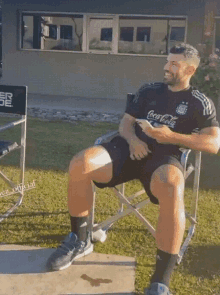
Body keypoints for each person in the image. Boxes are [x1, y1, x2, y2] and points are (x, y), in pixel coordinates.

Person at [46, 43, 220, 295]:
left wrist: (171, 136)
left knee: (172, 184)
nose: (166, 67)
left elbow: (213, 143)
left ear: (190, 69)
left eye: (174, 63)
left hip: (164, 157)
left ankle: (161, 280)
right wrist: (133, 140)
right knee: (80, 163)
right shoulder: (149, 90)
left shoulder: (199, 102)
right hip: (127, 149)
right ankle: (79, 240)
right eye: (167, 61)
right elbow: (125, 123)